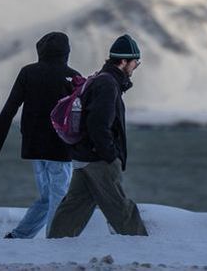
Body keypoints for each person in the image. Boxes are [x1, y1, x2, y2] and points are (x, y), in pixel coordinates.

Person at [47, 34, 148, 238]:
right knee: (121, 209)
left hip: (85, 157)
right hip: (98, 160)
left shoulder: (101, 80)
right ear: (123, 61)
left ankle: (55, 245)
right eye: (135, 63)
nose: (135, 67)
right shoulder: (108, 85)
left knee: (74, 206)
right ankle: (143, 247)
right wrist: (110, 155)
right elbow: (98, 124)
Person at [0, 31, 80, 238]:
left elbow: (10, 107)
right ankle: (55, 239)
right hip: (60, 146)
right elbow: (77, 114)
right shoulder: (73, 76)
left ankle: (20, 235)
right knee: (59, 196)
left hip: (33, 145)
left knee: (47, 196)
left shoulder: (28, 72)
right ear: (66, 52)